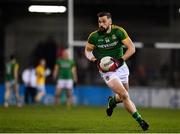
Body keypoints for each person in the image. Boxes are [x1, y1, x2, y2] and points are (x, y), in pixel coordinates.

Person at [84, 12, 149, 131]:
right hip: (107, 71)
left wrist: (120, 60)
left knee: (121, 96)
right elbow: (87, 51)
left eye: (104, 21)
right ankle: (141, 121)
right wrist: (94, 60)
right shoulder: (94, 36)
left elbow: (132, 48)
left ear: (110, 22)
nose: (101, 24)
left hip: (121, 67)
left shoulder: (119, 31)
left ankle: (112, 102)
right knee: (125, 95)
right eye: (99, 22)